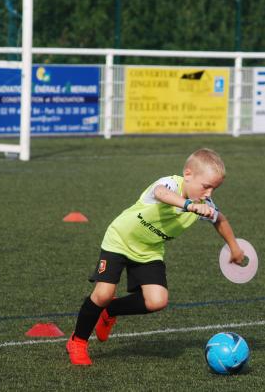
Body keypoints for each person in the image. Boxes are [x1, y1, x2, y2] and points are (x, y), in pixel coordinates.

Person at [66, 148, 245, 365]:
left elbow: (220, 219)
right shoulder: (170, 184)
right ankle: (78, 341)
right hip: (120, 240)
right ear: (188, 174)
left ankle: (110, 311)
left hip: (149, 251)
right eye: (206, 186)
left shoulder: (205, 205)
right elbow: (161, 193)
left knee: (157, 301)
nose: (209, 193)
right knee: (103, 293)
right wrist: (189, 205)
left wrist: (234, 247)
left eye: (214, 189)